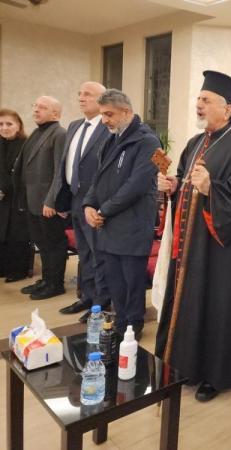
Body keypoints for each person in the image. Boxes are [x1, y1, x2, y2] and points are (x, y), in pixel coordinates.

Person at [155, 70, 231, 402]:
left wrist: (211, 189)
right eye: (198, 99)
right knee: (189, 305)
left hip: (221, 251)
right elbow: (183, 182)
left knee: (217, 309)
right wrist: (172, 186)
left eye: (206, 100)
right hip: (190, 247)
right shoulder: (195, 143)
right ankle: (186, 366)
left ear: (227, 109)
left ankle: (215, 377)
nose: (198, 104)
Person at [82, 89, 159, 340]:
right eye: (103, 115)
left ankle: (133, 325)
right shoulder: (111, 138)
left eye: (109, 114)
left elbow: (136, 186)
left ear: (126, 112)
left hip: (132, 224)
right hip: (109, 224)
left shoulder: (148, 141)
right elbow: (98, 178)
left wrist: (103, 210)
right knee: (114, 280)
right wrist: (89, 204)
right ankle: (121, 320)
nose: (104, 120)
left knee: (132, 281)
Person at [48, 81, 112, 323]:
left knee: (98, 254)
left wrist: (98, 203)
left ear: (102, 100)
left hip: (95, 203)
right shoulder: (75, 126)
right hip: (75, 199)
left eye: (88, 94)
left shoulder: (108, 128)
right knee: (84, 253)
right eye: (80, 94)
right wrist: (61, 199)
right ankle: (87, 296)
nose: (81, 98)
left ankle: (101, 303)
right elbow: (65, 164)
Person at [13, 96, 68, 300]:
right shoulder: (36, 133)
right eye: (35, 106)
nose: (36, 110)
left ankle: (56, 284)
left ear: (56, 114)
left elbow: (60, 171)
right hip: (32, 200)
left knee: (54, 243)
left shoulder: (60, 134)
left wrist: (52, 201)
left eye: (42, 107)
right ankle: (46, 279)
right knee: (42, 244)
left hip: (47, 202)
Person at [0, 109, 30, 282]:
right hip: (1, 197)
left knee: (16, 235)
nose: (4, 128)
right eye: (1, 124)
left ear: (18, 126)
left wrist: (4, 189)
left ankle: (17, 271)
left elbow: (21, 173)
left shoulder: (25, 145)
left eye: (9, 124)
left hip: (18, 196)